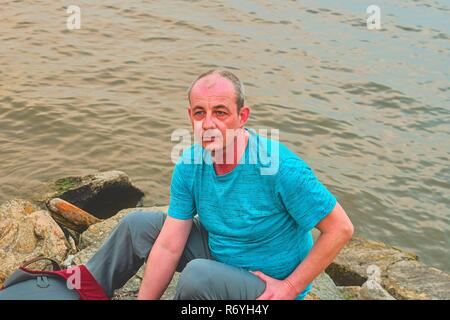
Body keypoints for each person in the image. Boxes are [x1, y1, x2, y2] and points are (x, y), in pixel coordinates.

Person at [85, 70, 354, 300]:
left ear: (242, 116)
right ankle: (82, 291)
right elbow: (169, 245)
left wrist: (289, 288)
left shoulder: (280, 167)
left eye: (221, 112)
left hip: (265, 285)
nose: (208, 124)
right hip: (220, 254)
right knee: (137, 226)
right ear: (190, 116)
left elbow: (340, 228)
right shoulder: (190, 164)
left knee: (197, 276)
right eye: (200, 113)